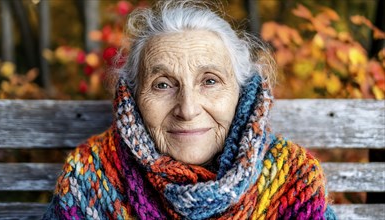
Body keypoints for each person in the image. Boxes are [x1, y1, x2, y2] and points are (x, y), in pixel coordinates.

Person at [43, 0, 337, 219]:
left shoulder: (294, 179)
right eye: (162, 85)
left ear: (242, 92)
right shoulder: (89, 176)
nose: (188, 109)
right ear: (132, 98)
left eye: (210, 81)